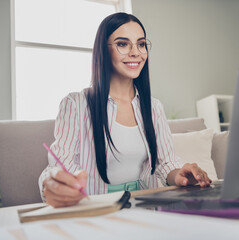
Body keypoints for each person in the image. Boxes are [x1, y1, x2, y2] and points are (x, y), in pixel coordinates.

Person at [39, 12, 211, 207]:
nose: (135, 52)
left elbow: (165, 164)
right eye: (122, 44)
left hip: (147, 208)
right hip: (96, 211)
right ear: (103, 50)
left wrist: (179, 175)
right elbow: (57, 169)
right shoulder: (75, 104)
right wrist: (53, 183)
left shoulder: (154, 107)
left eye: (141, 44)